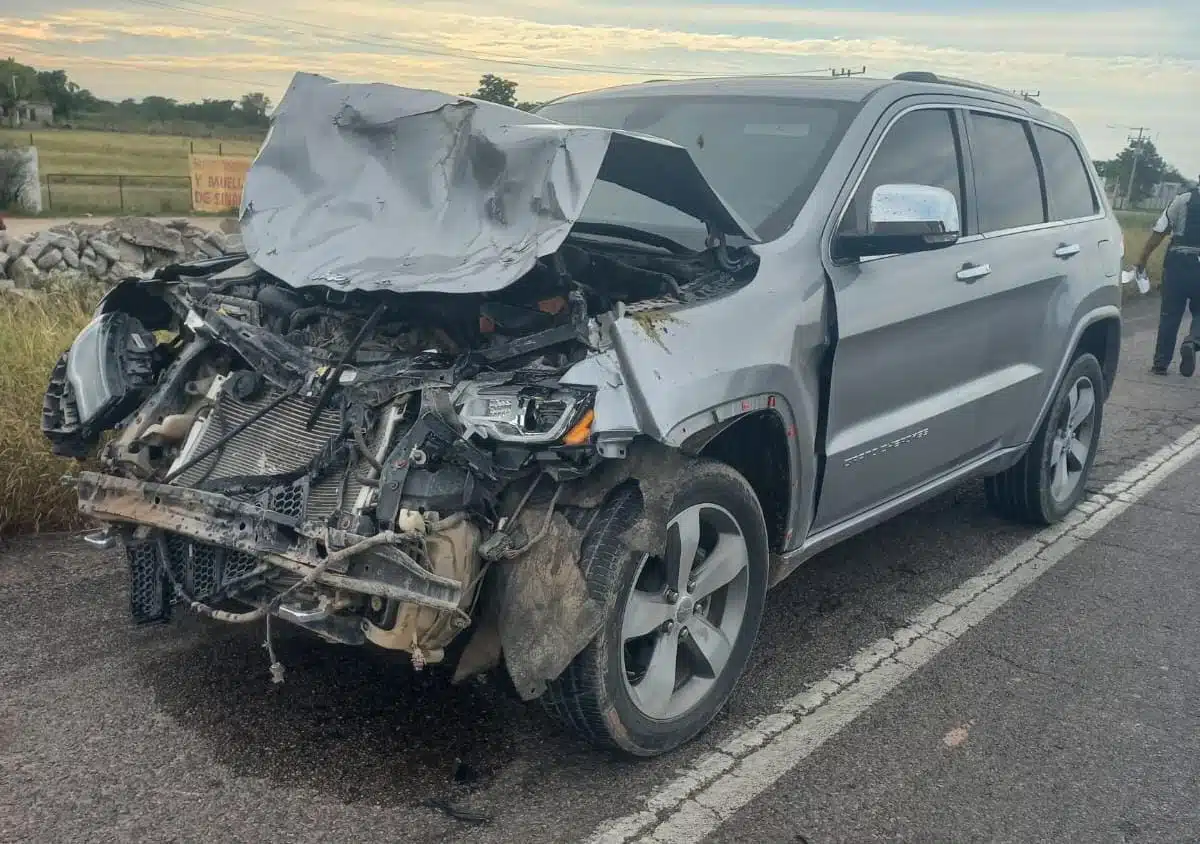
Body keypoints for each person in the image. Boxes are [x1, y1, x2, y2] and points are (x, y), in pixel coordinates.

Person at [1140, 177, 1200, 376]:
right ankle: (1193, 341)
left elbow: (1160, 230)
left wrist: (1142, 259)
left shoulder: (1181, 200)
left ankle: (1160, 363)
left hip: (1177, 263)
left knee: (1170, 315)